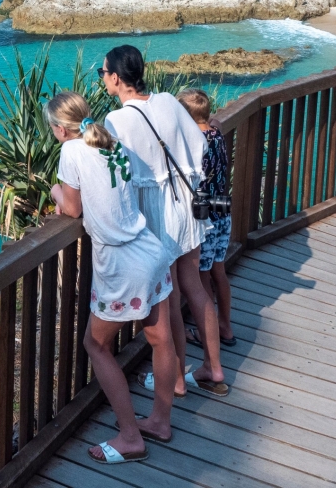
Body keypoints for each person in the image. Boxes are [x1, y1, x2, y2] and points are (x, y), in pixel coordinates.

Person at [46, 91, 177, 464]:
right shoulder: (110, 141)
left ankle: (130, 436)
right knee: (161, 338)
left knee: (96, 345)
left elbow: (72, 209)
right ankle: (160, 422)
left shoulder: (71, 151)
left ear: (58, 129)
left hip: (121, 263)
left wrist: (54, 190)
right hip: (150, 249)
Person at [102, 46, 229, 398]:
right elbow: (199, 146)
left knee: (169, 298)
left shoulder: (117, 121)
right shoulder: (169, 101)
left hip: (157, 215)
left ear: (115, 77)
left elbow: (118, 176)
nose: (103, 80)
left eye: (103, 74)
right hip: (187, 205)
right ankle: (213, 368)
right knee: (195, 288)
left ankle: (174, 378)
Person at [177, 89, 236, 348]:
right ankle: (226, 325)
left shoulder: (193, 143)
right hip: (222, 213)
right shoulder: (216, 134)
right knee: (219, 273)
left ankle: (207, 331)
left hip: (205, 220)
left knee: (201, 278)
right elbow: (216, 123)